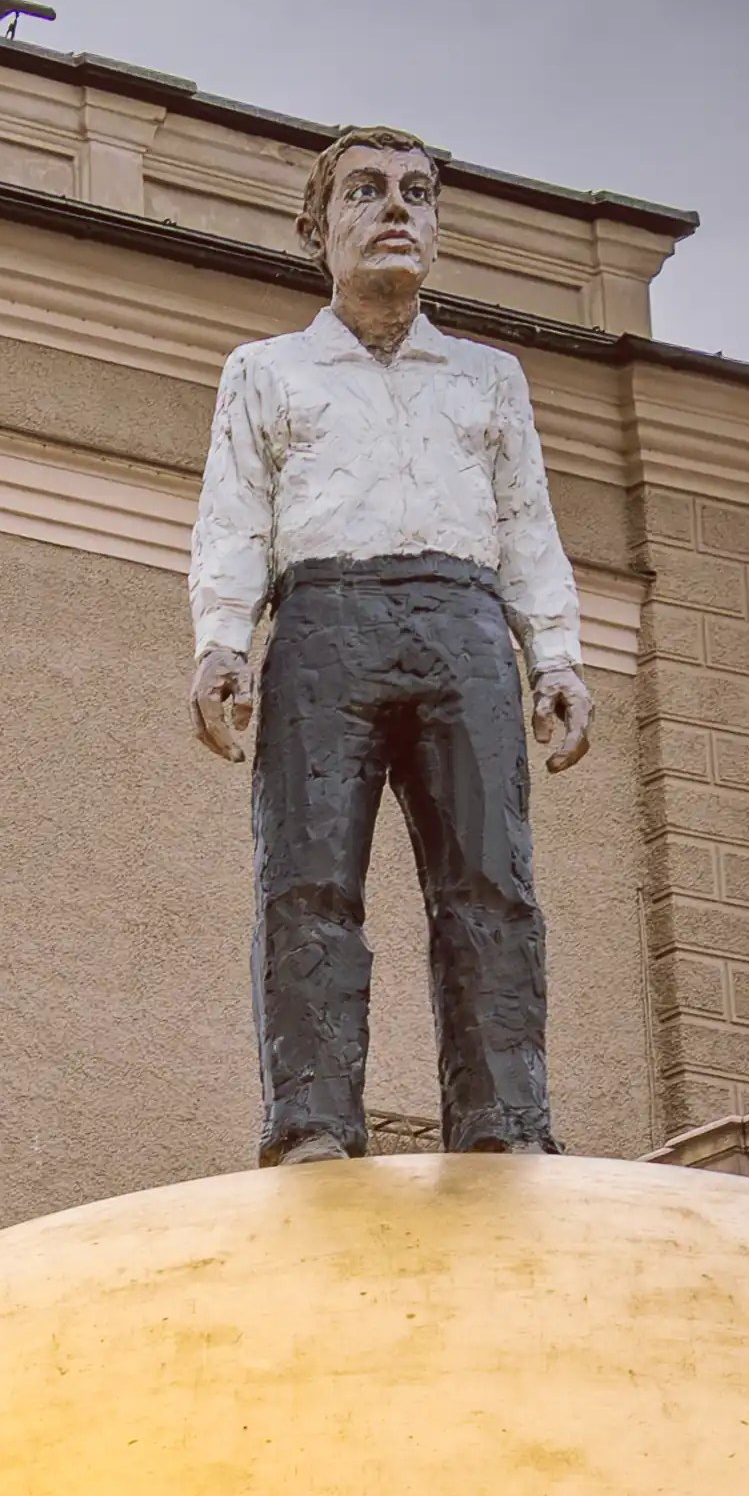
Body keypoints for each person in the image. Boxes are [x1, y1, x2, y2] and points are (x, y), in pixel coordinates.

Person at [187, 126, 593, 1164]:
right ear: (318, 229)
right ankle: (314, 1120)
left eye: (418, 193)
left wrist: (554, 657)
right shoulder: (268, 374)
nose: (396, 210)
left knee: (491, 882)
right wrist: (223, 641)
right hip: (326, 622)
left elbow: (526, 523)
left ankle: (505, 1121)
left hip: (463, 624)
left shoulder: (487, 380)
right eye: (366, 192)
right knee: (309, 882)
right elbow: (233, 513)